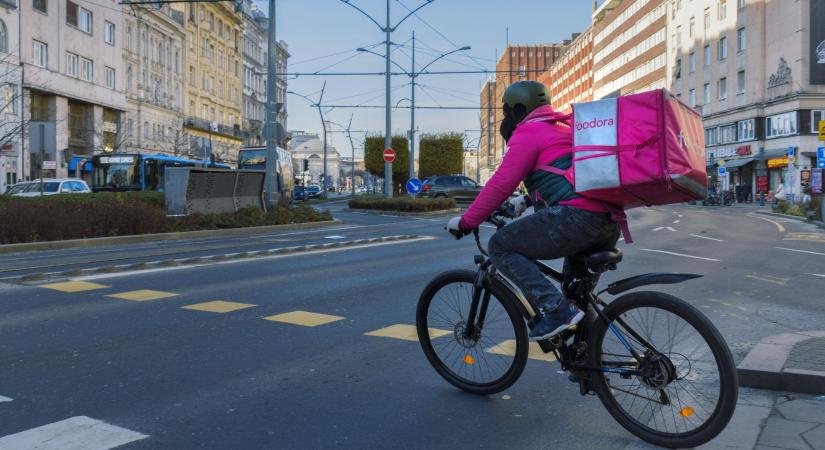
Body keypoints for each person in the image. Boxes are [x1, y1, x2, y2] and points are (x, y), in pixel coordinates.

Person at [447, 81, 620, 341]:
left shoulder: (529, 132)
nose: (506, 118)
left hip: (576, 219)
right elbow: (563, 174)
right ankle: (589, 369)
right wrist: (527, 200)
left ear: (517, 109)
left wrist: (468, 221)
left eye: (506, 112)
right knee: (578, 300)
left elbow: (501, 184)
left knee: (500, 246)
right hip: (607, 222)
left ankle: (555, 309)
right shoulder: (563, 128)